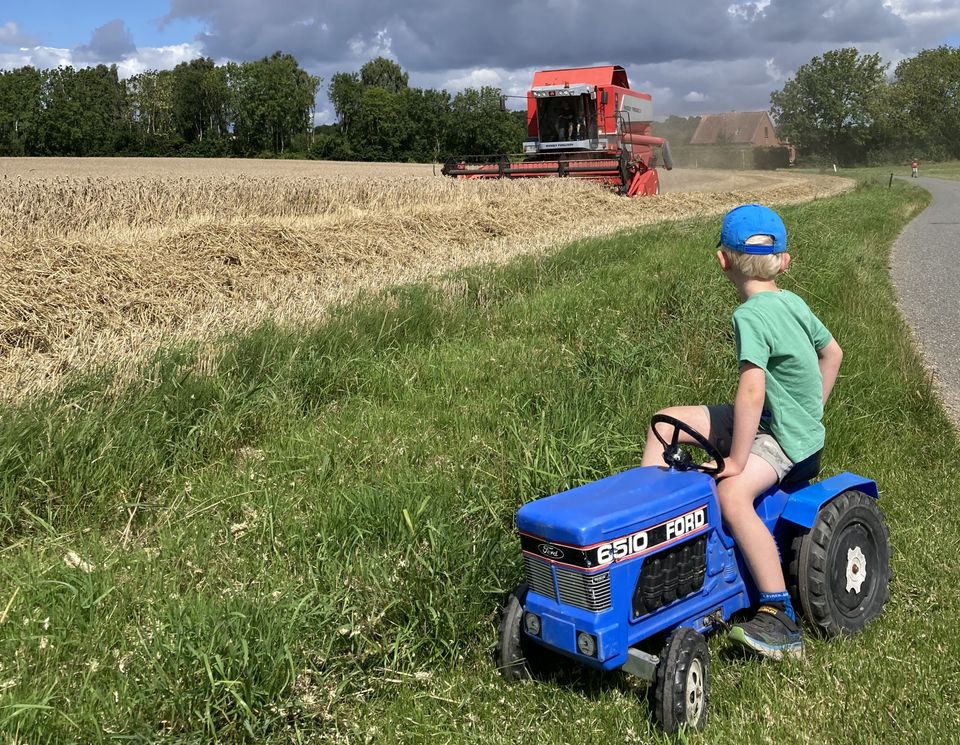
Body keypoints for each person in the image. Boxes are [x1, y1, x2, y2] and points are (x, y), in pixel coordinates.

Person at [639, 203, 844, 660]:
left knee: (732, 493)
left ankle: (779, 615)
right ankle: (654, 535)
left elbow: (751, 392)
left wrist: (735, 459)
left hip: (786, 442)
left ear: (722, 260)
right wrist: (813, 410)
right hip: (785, 423)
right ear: (784, 261)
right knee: (666, 424)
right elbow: (834, 354)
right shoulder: (794, 301)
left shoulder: (749, 316)